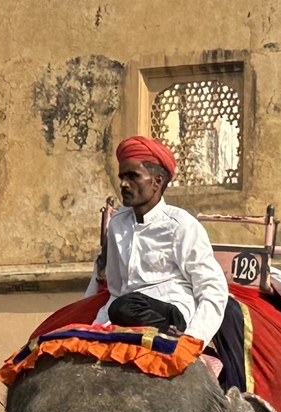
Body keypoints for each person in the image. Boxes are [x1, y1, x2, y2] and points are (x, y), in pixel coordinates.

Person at [87, 135, 228, 344]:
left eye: (133, 177)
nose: (124, 184)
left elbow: (212, 287)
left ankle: (169, 333)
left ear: (157, 181)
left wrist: (193, 338)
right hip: (126, 311)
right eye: (122, 177)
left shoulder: (180, 225)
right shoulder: (117, 223)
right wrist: (96, 327)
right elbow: (116, 289)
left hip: (170, 309)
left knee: (125, 306)